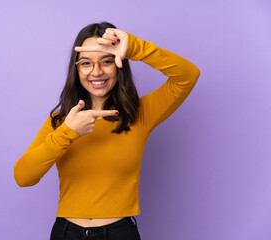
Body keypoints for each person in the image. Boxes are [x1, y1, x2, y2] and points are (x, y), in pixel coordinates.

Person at [14, 21, 200, 240]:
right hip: (66, 233)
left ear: (119, 64)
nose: (96, 72)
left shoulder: (140, 113)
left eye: (106, 61)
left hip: (119, 233)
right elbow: (23, 177)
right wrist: (68, 132)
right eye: (86, 63)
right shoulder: (61, 122)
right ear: (77, 69)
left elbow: (188, 75)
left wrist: (135, 48)